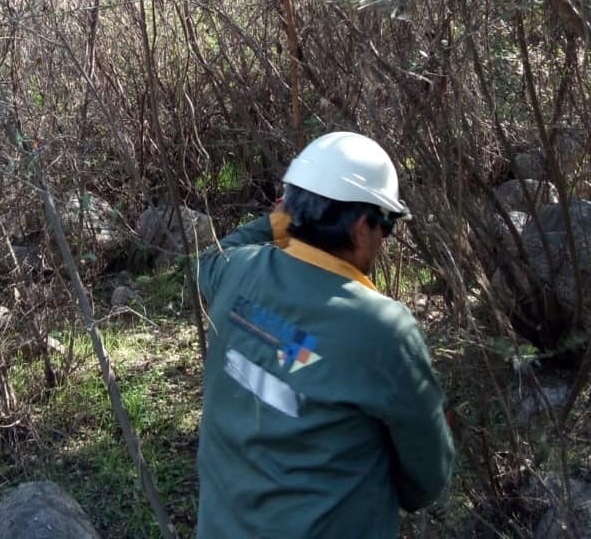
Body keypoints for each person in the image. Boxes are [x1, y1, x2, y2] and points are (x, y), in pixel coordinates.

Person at [195, 131, 455, 539]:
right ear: (361, 228)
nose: (383, 241)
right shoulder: (383, 330)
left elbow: (208, 259)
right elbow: (427, 481)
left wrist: (280, 222)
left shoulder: (236, 270)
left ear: (290, 209)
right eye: (386, 227)